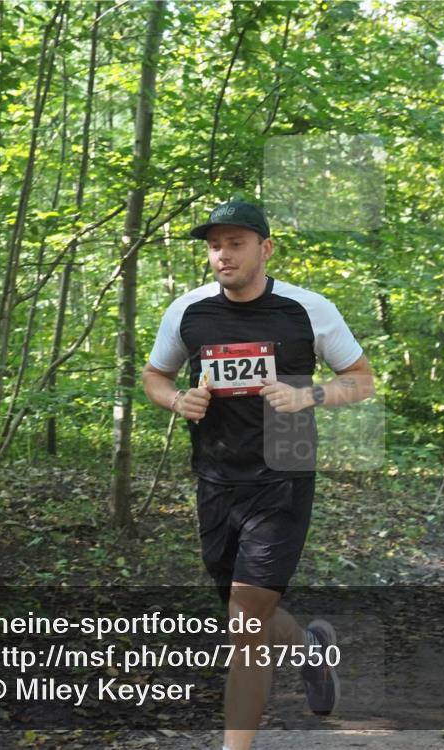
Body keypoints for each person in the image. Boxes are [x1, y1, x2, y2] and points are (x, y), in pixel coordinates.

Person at [142, 201, 375, 750]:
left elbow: (361, 380)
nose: (223, 254)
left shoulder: (306, 310)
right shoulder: (188, 311)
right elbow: (155, 376)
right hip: (217, 477)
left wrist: (307, 394)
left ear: (265, 249)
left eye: (236, 243)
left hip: (283, 475)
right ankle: (311, 649)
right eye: (214, 245)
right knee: (245, 609)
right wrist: (177, 400)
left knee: (245, 626)